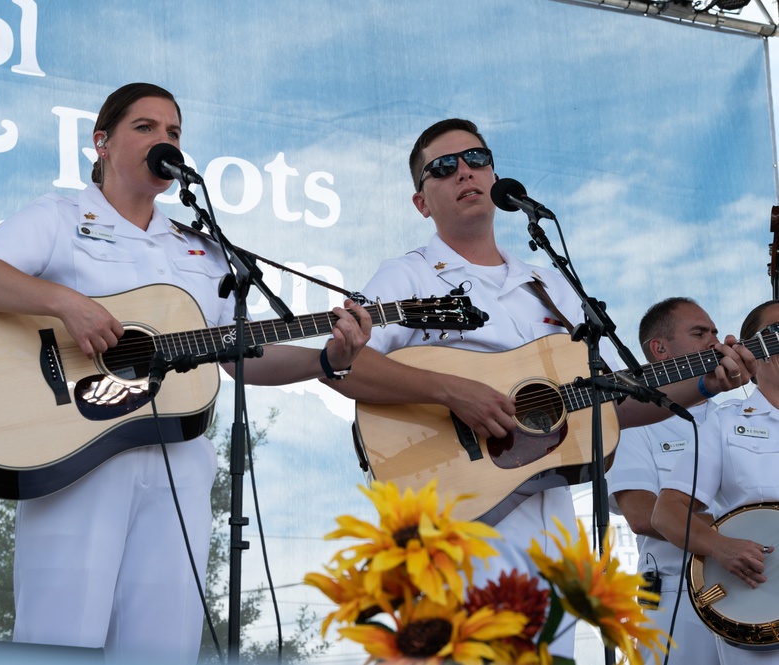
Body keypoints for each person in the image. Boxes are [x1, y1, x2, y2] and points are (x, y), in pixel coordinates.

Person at [0, 82, 372, 664]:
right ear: (102, 143)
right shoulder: (61, 215)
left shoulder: (200, 247)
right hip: (75, 453)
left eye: (173, 132)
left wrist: (326, 360)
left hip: (179, 461)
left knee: (163, 645)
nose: (163, 140)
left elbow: (237, 351)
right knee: (59, 636)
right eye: (145, 127)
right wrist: (63, 302)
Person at [323, 117, 754, 658]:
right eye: (443, 167)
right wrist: (454, 392)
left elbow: (606, 402)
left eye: (477, 159)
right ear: (421, 203)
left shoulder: (549, 283)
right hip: (450, 525)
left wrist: (703, 386)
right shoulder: (404, 276)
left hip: (549, 533)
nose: (465, 172)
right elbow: (344, 366)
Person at [653, 300, 779, 665]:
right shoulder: (723, 424)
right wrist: (719, 547)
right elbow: (667, 513)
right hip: (759, 615)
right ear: (751, 351)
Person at [607, 297, 727, 665]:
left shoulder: (733, 417)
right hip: (675, 599)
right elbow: (642, 514)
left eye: (715, 333)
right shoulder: (628, 423)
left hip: (750, 587)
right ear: (659, 349)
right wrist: (744, 532)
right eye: (699, 333)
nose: (714, 342)